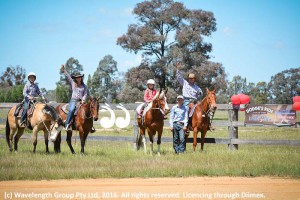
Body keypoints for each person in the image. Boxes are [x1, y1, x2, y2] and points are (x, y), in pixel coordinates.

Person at [61, 64, 88, 130]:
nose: (78, 78)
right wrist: (64, 70)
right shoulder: (73, 83)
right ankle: (67, 124)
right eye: (77, 77)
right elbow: (68, 76)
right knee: (72, 109)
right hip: (74, 100)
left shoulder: (84, 86)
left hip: (81, 101)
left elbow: (85, 94)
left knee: (87, 110)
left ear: (81, 78)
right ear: (75, 78)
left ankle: (90, 125)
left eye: (80, 77)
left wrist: (83, 99)